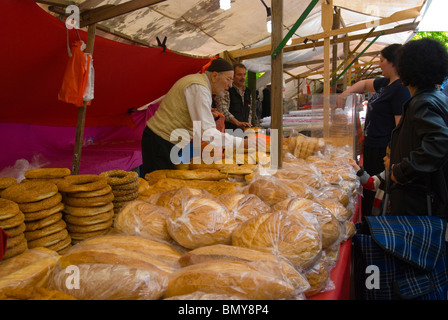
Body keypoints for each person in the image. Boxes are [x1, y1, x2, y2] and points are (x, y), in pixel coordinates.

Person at [141, 58, 263, 175]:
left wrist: (208, 112)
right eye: (228, 79)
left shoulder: (200, 85)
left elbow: (188, 109)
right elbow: (208, 135)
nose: (230, 85)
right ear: (215, 76)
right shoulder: (199, 88)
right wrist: (244, 143)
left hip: (166, 141)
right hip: (159, 141)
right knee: (158, 186)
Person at [336, 43, 410, 217]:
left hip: (383, 150)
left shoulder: (400, 89)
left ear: (394, 63)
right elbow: (363, 84)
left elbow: (400, 127)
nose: (379, 64)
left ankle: (373, 227)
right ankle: (369, 224)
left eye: (382, 60)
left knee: (374, 189)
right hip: (372, 146)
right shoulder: (386, 83)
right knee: (369, 188)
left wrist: (391, 155)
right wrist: (344, 94)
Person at [389, 38, 448, 219]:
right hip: (425, 198)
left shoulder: (422, 103)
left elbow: (439, 141)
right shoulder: (435, 97)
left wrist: (401, 171)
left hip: (418, 203)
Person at [215, 63, 253, 132]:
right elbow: (222, 110)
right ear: (233, 76)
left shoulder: (248, 91)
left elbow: (250, 111)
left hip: (244, 131)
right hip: (229, 132)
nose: (243, 77)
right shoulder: (226, 89)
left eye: (244, 74)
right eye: (239, 74)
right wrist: (237, 123)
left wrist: (248, 125)